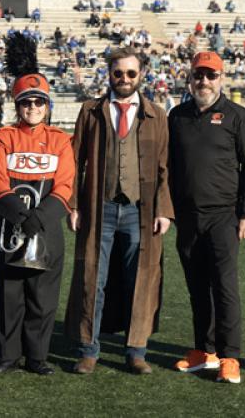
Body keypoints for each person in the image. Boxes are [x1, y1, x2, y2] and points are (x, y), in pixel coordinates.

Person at [65, 46, 174, 375]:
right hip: (100, 209)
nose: (124, 79)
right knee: (91, 279)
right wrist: (73, 204)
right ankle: (88, 349)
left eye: (131, 73)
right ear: (109, 74)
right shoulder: (91, 111)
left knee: (140, 279)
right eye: (118, 73)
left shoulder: (157, 115)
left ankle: (136, 350)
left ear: (141, 74)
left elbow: (166, 168)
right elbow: (74, 161)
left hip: (140, 212)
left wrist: (164, 211)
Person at [0, 36, 75, 375]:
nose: (33, 107)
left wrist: (40, 219)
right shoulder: (3, 138)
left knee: (42, 296)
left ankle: (37, 357)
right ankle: (7, 355)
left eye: (39, 101)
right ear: (17, 105)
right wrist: (22, 218)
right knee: (10, 295)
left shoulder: (61, 141)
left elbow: (65, 184)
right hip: (11, 227)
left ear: (48, 104)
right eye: (26, 102)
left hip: (46, 229)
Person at [168, 51, 245, 384]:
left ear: (221, 78)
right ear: (189, 77)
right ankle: (203, 350)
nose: (203, 81)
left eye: (210, 75)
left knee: (225, 287)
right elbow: (170, 167)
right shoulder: (176, 116)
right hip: (187, 217)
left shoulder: (238, 116)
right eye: (198, 75)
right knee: (196, 287)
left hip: (224, 215)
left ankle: (229, 356)